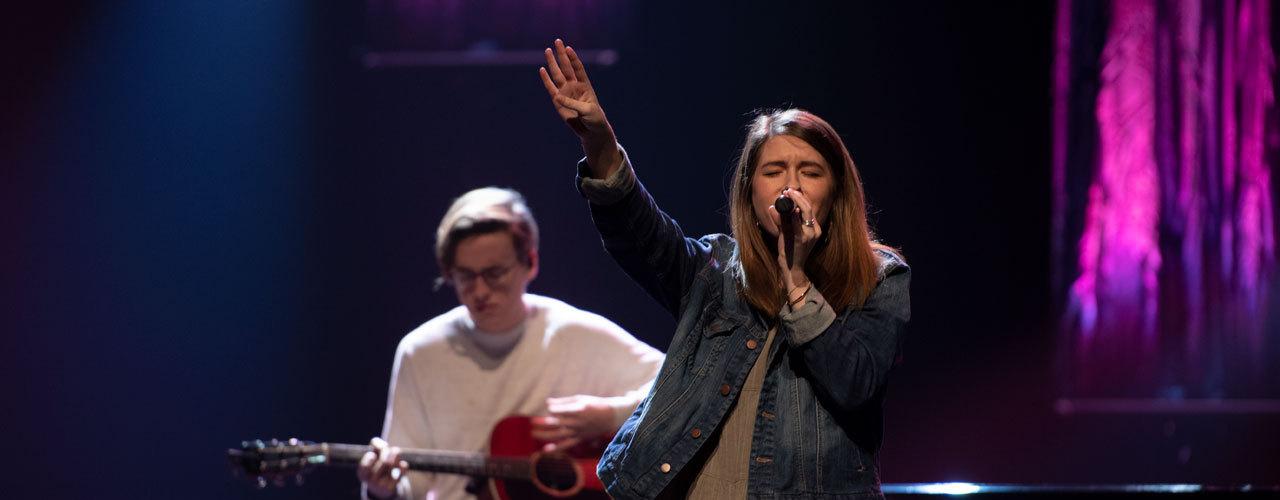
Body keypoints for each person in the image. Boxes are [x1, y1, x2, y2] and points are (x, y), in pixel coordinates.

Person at [538, 39, 910, 498]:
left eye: (810, 172)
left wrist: (797, 280)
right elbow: (639, 232)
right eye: (774, 170)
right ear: (751, 192)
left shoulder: (879, 277)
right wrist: (599, 143)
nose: (790, 185)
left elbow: (856, 383)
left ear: (834, 195)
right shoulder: (715, 270)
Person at [356, 187, 665, 500]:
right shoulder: (420, 351)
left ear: (530, 262)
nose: (479, 291)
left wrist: (609, 417)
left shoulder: (574, 333)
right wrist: (383, 489)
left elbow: (681, 385)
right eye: (465, 276)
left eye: (494, 273)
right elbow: (411, 484)